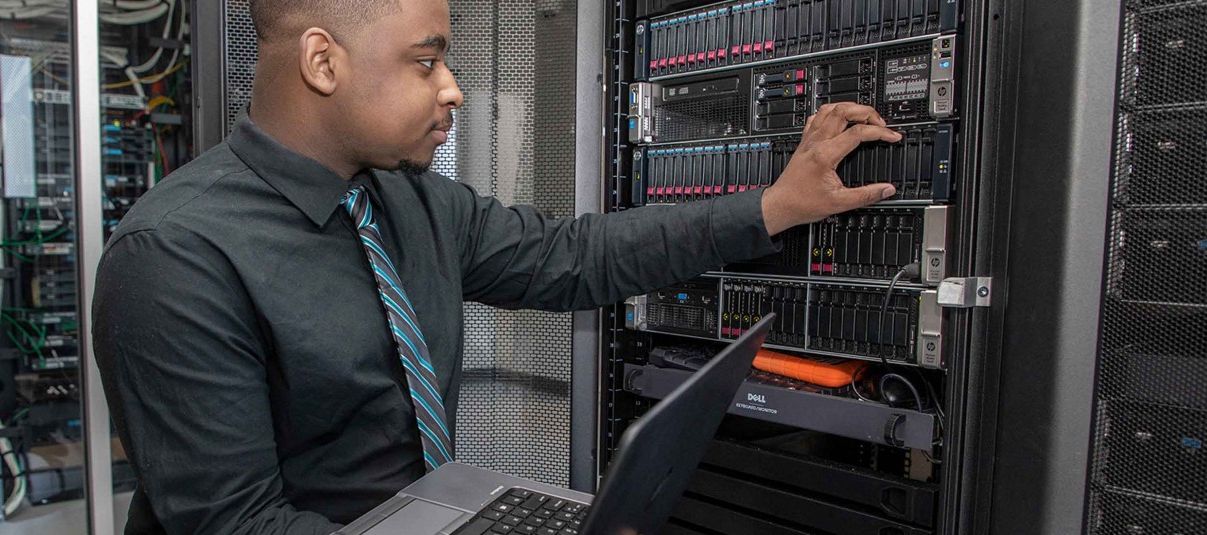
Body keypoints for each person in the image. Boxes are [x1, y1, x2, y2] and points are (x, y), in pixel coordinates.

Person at [91, 0, 904, 532]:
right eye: (425, 61)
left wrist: (772, 207)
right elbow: (238, 527)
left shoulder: (411, 202)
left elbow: (575, 256)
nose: (452, 89)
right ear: (322, 62)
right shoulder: (175, 258)